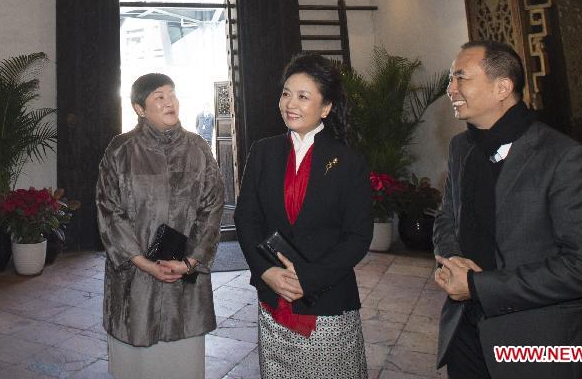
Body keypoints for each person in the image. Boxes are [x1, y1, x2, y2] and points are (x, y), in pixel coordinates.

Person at [433, 41, 582, 379]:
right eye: (450, 79)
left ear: (502, 87)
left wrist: (478, 286)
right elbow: (446, 217)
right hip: (464, 333)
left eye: (460, 78)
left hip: (537, 342)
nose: (450, 89)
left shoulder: (565, 159)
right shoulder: (461, 148)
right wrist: (451, 259)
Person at [234, 53, 373, 379]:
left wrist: (308, 279)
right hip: (274, 299)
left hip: (327, 302)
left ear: (325, 107)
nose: (289, 104)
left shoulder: (348, 162)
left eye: (303, 96)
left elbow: (358, 236)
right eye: (286, 93)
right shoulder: (263, 152)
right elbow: (247, 219)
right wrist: (266, 272)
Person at [95, 73, 224, 379]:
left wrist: (190, 261)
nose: (170, 102)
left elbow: (213, 207)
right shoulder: (120, 150)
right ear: (140, 108)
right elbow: (109, 211)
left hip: (185, 277)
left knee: (183, 364)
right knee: (137, 362)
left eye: (172, 94)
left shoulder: (198, 147)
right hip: (135, 279)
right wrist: (143, 263)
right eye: (159, 97)